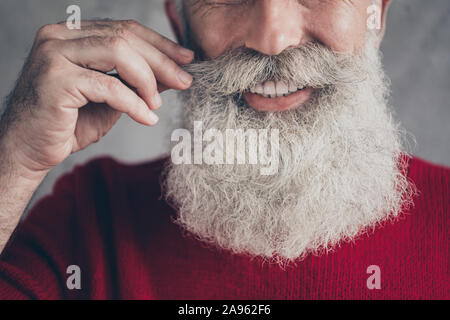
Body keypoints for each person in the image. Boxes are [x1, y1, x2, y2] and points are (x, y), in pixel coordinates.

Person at [0, 0, 448, 299]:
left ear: (376, 15)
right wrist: (15, 160)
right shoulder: (90, 217)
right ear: (180, 22)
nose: (272, 37)